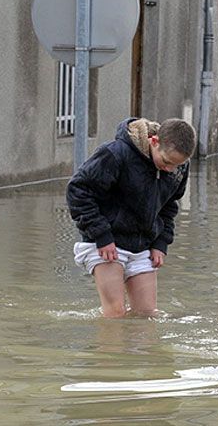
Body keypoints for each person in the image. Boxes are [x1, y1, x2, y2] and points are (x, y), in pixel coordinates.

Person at [66, 117, 197, 318]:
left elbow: (169, 206)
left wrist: (161, 243)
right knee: (115, 314)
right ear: (154, 141)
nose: (170, 170)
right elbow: (78, 190)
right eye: (166, 162)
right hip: (106, 242)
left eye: (177, 165)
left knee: (147, 316)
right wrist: (101, 235)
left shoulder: (179, 167)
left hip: (143, 246)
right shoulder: (115, 154)